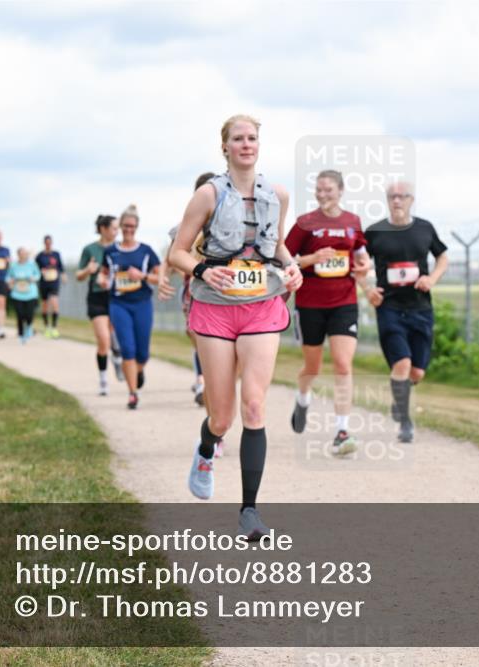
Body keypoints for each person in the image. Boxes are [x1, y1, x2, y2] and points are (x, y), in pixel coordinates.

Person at [169, 114, 302, 540]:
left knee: (255, 406)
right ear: (224, 147)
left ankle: (249, 511)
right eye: (238, 139)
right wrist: (204, 271)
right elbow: (178, 252)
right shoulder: (207, 195)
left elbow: (277, 243)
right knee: (222, 417)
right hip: (215, 309)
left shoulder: (277, 193)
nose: (246, 144)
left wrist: (291, 265)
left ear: (259, 145)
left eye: (252, 138)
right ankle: (207, 449)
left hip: (261, 305)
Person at [285, 170, 371, 456]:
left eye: (328, 190)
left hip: (344, 302)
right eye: (318, 190)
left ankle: (341, 430)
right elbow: (284, 259)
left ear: (341, 191)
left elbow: (359, 254)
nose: (323, 195)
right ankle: (303, 397)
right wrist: (312, 258)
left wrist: (364, 266)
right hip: (310, 303)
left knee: (343, 365)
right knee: (313, 367)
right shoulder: (305, 223)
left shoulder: (352, 222)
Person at [360, 181, 448, 443]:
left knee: (417, 372)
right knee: (402, 363)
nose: (397, 201)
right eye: (392, 196)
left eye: (402, 196)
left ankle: (399, 399)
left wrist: (431, 279)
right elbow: (359, 263)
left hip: (420, 307)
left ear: (411, 200)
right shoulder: (375, 232)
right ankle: (405, 421)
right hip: (389, 307)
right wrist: (366, 289)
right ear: (387, 200)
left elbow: (443, 257)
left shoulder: (424, 228)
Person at [158, 171, 217, 412]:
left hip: (222, 292)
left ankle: (208, 382)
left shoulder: (229, 225)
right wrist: (162, 277)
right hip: (192, 291)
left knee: (214, 342)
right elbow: (170, 257)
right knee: (197, 336)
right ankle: (204, 381)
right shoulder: (184, 226)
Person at [99, 204, 161, 409]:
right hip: (119, 304)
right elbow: (104, 273)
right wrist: (102, 279)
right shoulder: (110, 252)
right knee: (128, 349)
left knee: (142, 353)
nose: (128, 229)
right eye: (125, 225)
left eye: (132, 226)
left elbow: (159, 277)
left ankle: (138, 370)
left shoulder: (146, 251)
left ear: (137, 227)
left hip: (142, 303)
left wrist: (142, 275)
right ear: (120, 226)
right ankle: (132, 393)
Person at [77, 214, 124, 396]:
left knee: (115, 336)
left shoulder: (119, 249)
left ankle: (118, 358)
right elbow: (78, 276)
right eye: (114, 228)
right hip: (96, 298)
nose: (117, 231)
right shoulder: (90, 249)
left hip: (115, 297)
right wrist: (88, 270)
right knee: (103, 340)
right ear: (103, 229)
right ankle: (103, 380)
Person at [7, 247, 42, 343]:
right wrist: (11, 281)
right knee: (20, 314)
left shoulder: (32, 264)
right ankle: (21, 335)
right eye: (22, 253)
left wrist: (33, 278)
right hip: (17, 294)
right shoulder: (13, 265)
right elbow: (8, 277)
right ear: (18, 255)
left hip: (30, 293)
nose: (24, 255)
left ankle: (29, 327)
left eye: (25, 253)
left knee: (29, 314)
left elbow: (38, 275)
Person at [36, 235, 65, 338]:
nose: (48, 244)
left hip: (54, 282)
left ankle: (54, 327)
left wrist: (63, 276)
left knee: (54, 303)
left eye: (50, 242)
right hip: (44, 282)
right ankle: (46, 327)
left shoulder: (56, 254)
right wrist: (41, 271)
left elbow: (61, 267)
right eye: (46, 242)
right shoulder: (40, 256)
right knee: (45, 305)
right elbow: (36, 269)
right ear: (44, 243)